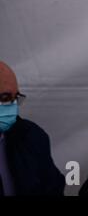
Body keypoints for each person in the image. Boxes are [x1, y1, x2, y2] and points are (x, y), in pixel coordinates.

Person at [0, 61, 65, 196]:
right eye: (5, 98)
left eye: (16, 98)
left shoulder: (31, 136)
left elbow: (53, 190)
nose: (12, 106)